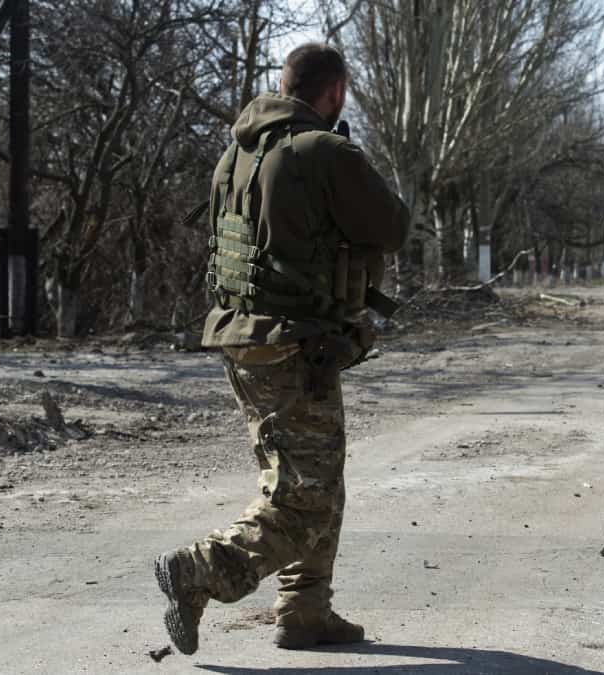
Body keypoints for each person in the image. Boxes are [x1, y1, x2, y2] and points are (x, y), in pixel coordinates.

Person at [154, 42, 409, 655]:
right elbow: (393, 227)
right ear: (335, 92)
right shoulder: (322, 151)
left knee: (315, 479)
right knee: (304, 502)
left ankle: (305, 610)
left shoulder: (235, 153)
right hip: (298, 344)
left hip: (244, 340)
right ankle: (200, 569)